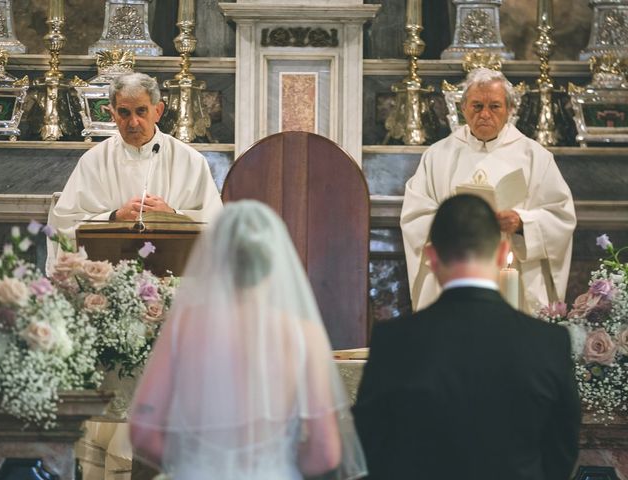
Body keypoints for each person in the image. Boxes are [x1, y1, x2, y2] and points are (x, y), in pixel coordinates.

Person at [129, 200, 367, 480]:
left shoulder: (184, 325)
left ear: (216, 259)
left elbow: (143, 432)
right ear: (275, 261)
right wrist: (277, 466)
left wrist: (194, 464)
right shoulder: (304, 334)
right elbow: (325, 453)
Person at [353, 194, 581, 480]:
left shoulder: (393, 341)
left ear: (432, 257)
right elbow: (562, 449)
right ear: (501, 254)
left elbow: (370, 445)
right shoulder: (549, 342)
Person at [400, 67, 576, 313]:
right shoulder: (437, 155)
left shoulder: (535, 156)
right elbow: (413, 216)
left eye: (494, 106)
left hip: (512, 272)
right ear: (463, 109)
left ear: (509, 110)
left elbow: (561, 217)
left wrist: (522, 222)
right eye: (476, 106)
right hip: (455, 272)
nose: (485, 114)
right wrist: (452, 223)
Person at [46, 72, 222, 270]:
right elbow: (64, 225)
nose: (133, 122)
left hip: (174, 275)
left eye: (141, 111)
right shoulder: (93, 161)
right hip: (110, 278)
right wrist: (114, 217)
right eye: (124, 112)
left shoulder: (190, 161)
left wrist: (172, 215)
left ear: (158, 111)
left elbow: (217, 224)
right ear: (112, 114)